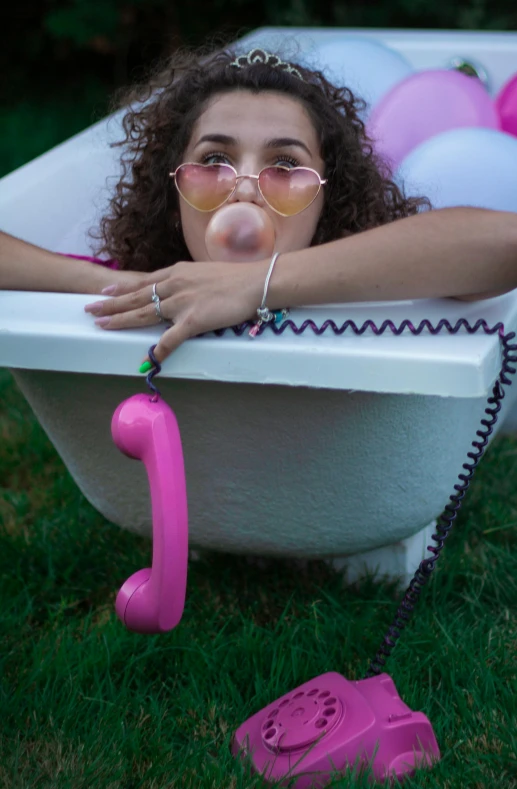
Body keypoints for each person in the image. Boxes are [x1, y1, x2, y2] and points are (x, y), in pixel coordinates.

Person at [2, 46, 517, 366]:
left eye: (286, 165)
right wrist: (143, 289)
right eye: (215, 158)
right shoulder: (148, 280)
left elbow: (505, 245)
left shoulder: (375, 286)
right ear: (172, 188)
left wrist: (257, 284)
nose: (245, 188)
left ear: (327, 196)